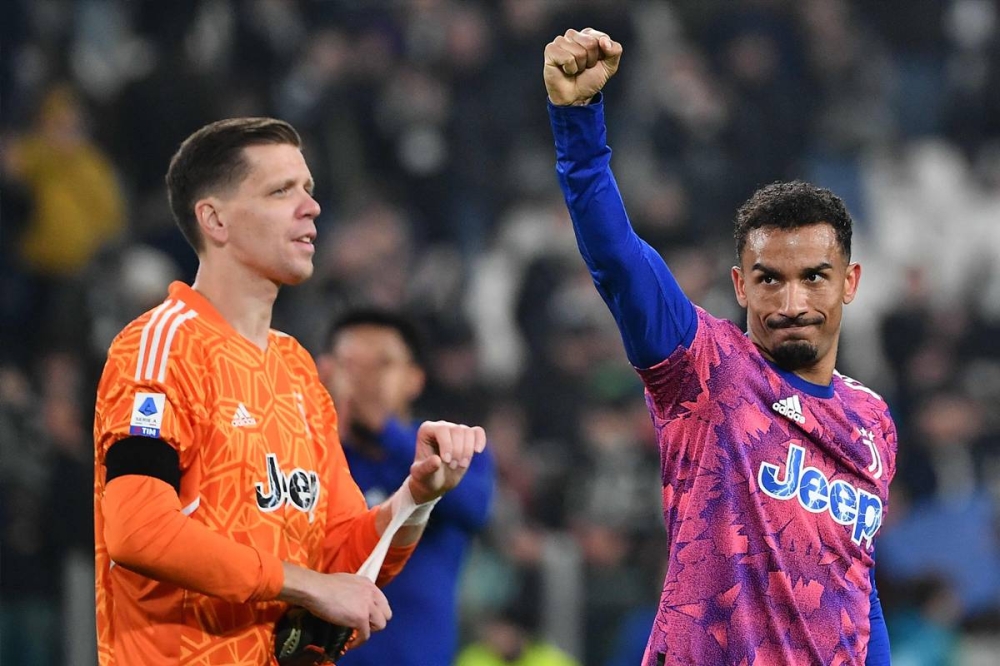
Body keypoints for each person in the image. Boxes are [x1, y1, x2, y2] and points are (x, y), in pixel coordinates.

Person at [543, 29, 895, 665]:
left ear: (850, 282)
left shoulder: (873, 420)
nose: (792, 302)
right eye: (770, 279)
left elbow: (858, 586)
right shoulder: (703, 367)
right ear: (739, 285)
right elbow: (618, 261)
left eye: (814, 277)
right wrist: (578, 124)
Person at [92, 117, 487, 665]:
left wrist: (415, 498)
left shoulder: (295, 369)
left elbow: (343, 557)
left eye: (309, 189)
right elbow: (138, 530)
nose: (312, 207)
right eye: (281, 191)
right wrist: (306, 585)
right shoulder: (160, 347)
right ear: (215, 219)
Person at [318, 308, 494, 665]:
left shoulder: (448, 446)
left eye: (382, 364)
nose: (365, 378)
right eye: (351, 364)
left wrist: (386, 432)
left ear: (414, 379)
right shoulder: (304, 454)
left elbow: (477, 511)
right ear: (326, 372)